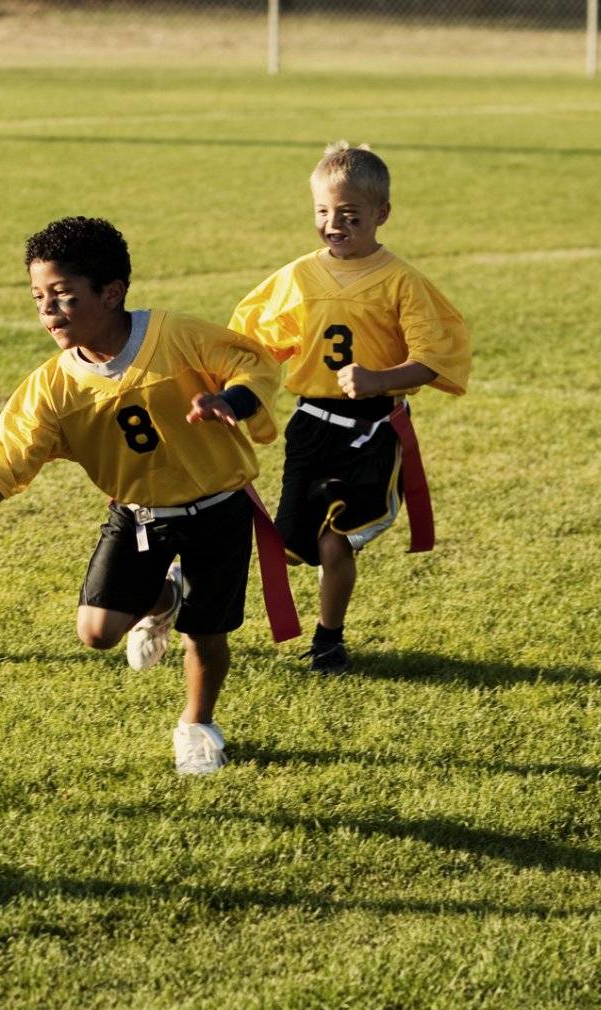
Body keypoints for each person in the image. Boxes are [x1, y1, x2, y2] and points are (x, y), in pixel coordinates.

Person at [0, 217, 280, 775]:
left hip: (217, 508)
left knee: (207, 631)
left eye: (64, 297)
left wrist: (235, 402)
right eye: (38, 298)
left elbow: (252, 362)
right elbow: (7, 454)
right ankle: (159, 599)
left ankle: (197, 724)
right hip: (138, 515)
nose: (48, 312)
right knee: (96, 632)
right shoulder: (53, 386)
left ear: (112, 292)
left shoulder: (176, 337)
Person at [230, 141, 471, 675]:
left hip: (372, 432)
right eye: (322, 212)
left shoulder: (401, 281)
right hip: (311, 427)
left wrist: (381, 378)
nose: (333, 224)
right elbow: (255, 343)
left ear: (382, 214)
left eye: (349, 215)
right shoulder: (298, 276)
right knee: (292, 546)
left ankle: (328, 639)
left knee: (337, 539)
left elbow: (433, 358)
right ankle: (185, 585)